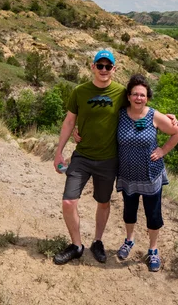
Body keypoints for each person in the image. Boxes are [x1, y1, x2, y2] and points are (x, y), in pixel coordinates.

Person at [52, 50, 125, 265]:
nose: (103, 70)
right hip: (82, 157)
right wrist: (59, 151)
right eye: (99, 65)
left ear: (114, 68)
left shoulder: (121, 93)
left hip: (108, 159)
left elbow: (141, 108)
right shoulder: (80, 92)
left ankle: (97, 241)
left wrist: (167, 119)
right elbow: (69, 122)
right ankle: (76, 245)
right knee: (68, 201)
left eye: (107, 66)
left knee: (103, 202)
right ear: (92, 67)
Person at [115, 74, 178, 271]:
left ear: (148, 98)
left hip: (150, 174)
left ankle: (153, 249)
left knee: (153, 214)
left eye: (142, 95)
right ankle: (129, 240)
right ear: (128, 96)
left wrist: (163, 150)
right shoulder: (119, 115)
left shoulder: (154, 115)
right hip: (127, 174)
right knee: (129, 211)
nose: (138, 98)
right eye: (135, 94)